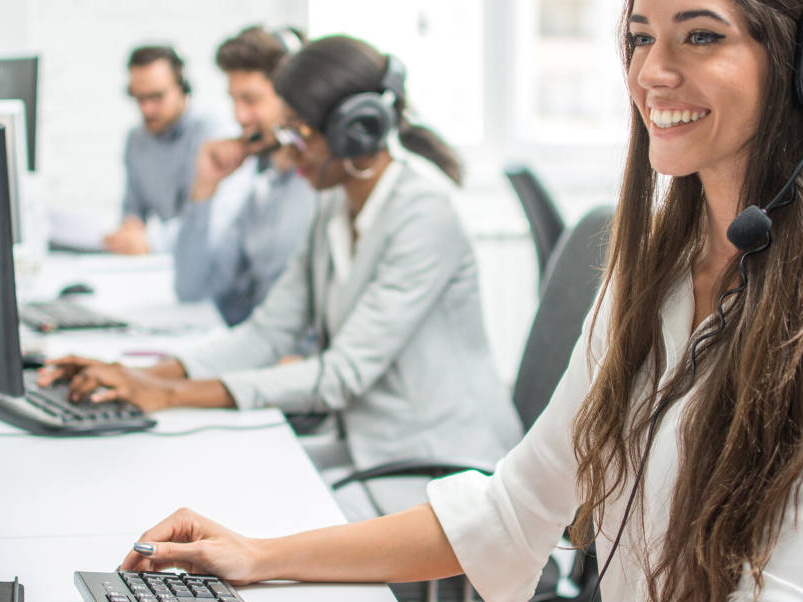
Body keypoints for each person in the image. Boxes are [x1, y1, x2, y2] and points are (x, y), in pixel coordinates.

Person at [111, 2, 803, 602]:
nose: (651, 71)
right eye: (639, 37)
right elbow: (517, 509)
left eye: (699, 35)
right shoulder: (654, 278)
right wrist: (259, 557)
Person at [40, 36, 523, 521]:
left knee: (252, 515)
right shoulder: (335, 202)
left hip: (447, 477)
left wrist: (166, 394)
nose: (286, 150)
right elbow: (268, 333)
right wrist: (140, 375)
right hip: (372, 450)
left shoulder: (423, 211)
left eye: (297, 133)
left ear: (354, 130)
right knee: (213, 480)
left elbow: (339, 376)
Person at [174, 26, 316, 325]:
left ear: (293, 99)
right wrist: (204, 187)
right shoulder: (262, 190)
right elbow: (192, 290)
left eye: (251, 100)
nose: (239, 117)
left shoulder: (319, 187)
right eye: (234, 100)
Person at [103, 45, 229, 254]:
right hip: (164, 265)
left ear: (183, 87)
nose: (146, 109)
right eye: (138, 98)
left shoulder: (214, 132)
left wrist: (151, 242)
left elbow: (215, 220)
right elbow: (133, 209)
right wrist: (129, 230)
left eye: (156, 97)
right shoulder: (136, 140)